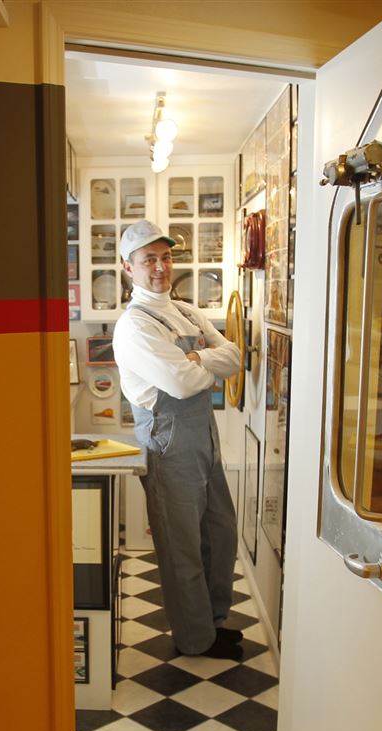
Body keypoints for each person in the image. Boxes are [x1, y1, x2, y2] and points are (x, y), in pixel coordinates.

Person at [112, 219, 244, 659]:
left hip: (203, 433)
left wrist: (194, 358)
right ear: (128, 267)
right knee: (182, 545)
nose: (160, 267)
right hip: (168, 439)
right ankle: (194, 639)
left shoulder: (186, 311)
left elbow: (234, 356)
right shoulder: (134, 326)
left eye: (165, 257)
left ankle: (214, 621)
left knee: (220, 533)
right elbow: (182, 383)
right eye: (149, 259)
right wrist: (204, 362)